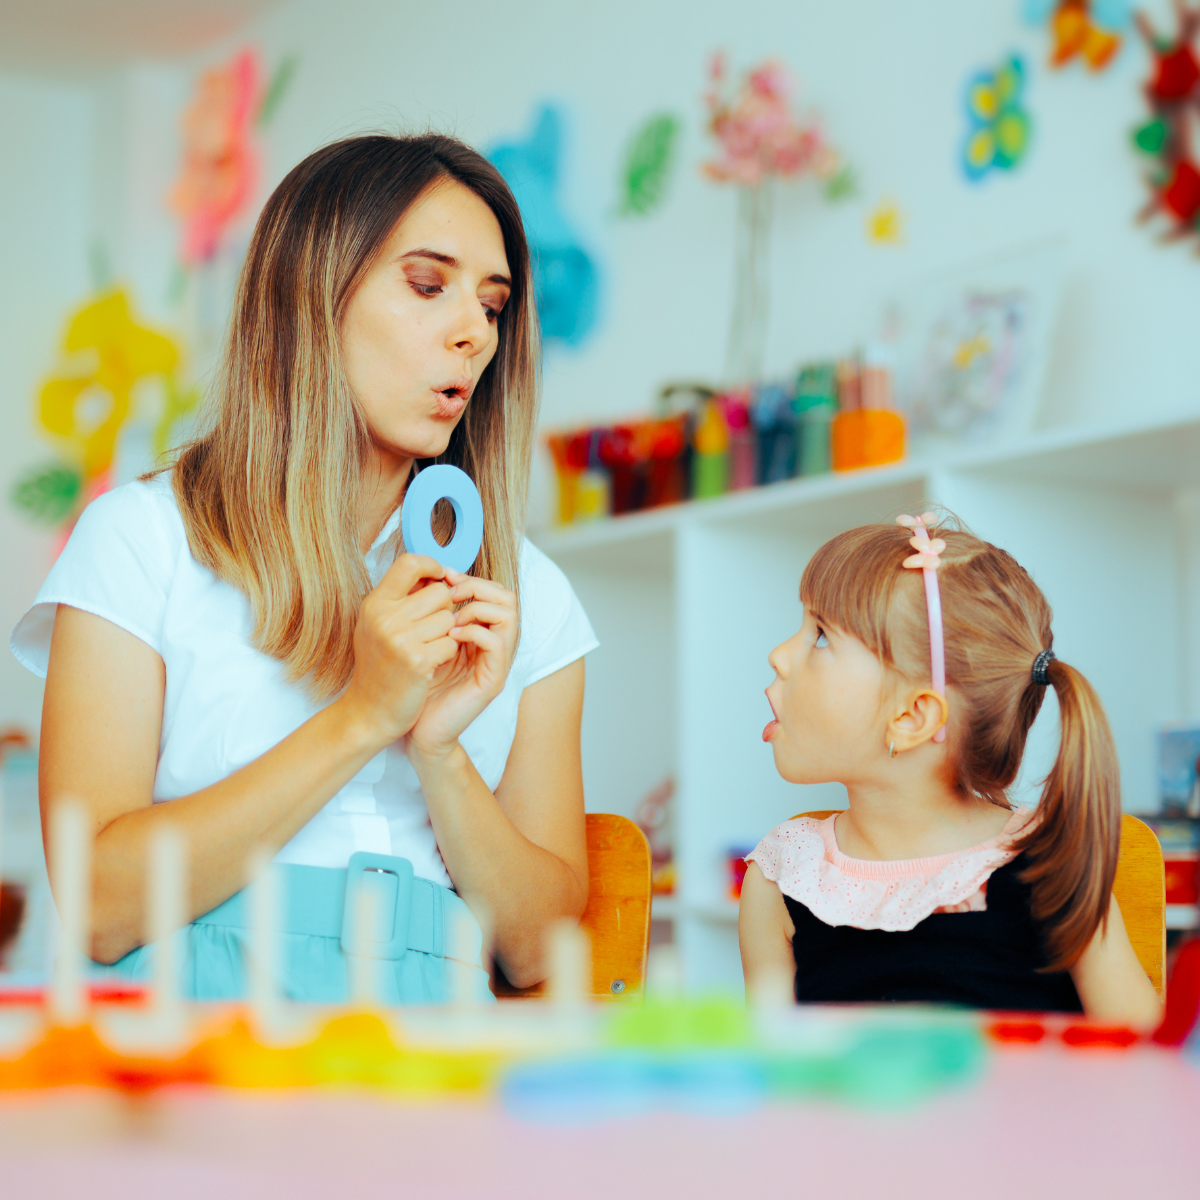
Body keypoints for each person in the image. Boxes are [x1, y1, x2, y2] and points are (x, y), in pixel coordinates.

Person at [11, 133, 598, 1004]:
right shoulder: (142, 537)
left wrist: (438, 750)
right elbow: (100, 908)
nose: (475, 332)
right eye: (427, 285)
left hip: (435, 1034)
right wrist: (364, 715)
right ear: (310, 295)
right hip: (196, 1026)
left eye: (492, 304)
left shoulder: (528, 592)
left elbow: (540, 952)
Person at [739, 513, 1162, 1027]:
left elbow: (1145, 1052)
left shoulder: (1048, 863)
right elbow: (770, 1061)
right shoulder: (782, 876)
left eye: (821, 635)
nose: (779, 655)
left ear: (912, 717)